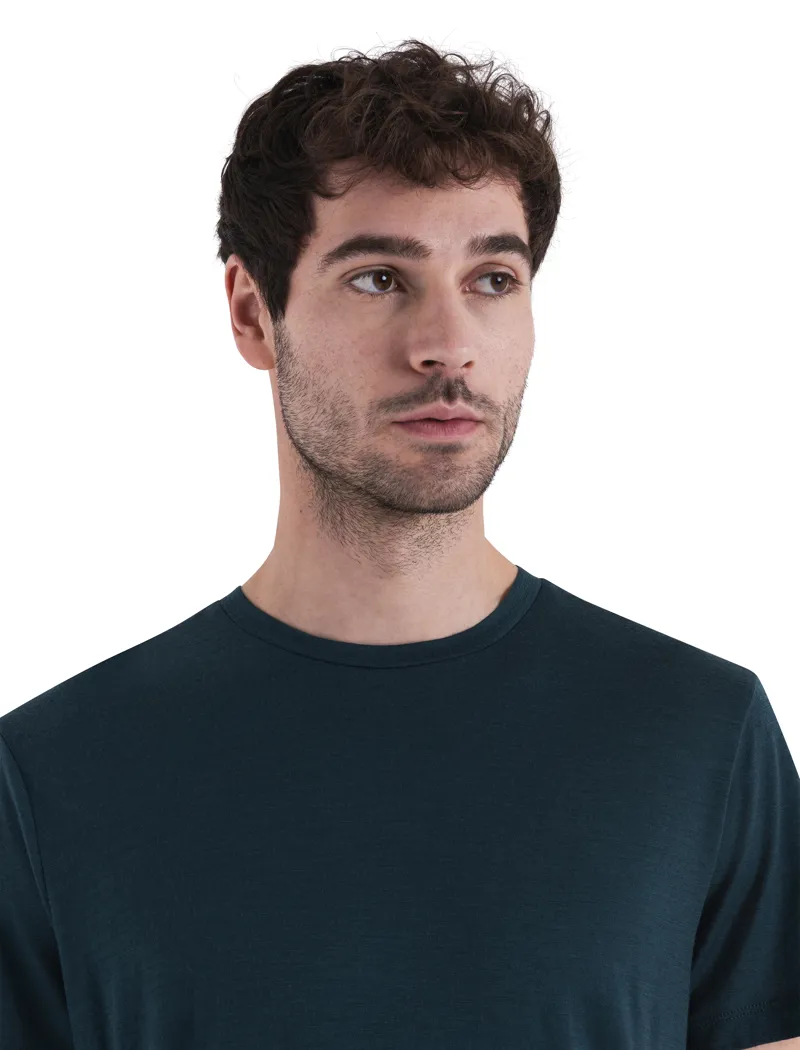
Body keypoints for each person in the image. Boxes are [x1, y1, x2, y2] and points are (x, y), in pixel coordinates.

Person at [1, 38, 798, 1050]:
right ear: (252, 314)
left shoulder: (700, 738)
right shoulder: (55, 774)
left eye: (493, 278)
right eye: (380, 278)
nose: (447, 343)